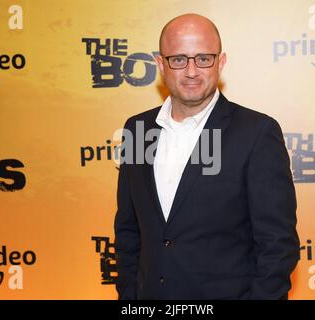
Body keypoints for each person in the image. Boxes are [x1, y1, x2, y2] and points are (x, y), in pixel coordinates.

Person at [114, 13, 299, 300]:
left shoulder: (256, 132)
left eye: (203, 58)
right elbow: (127, 230)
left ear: (221, 62)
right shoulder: (138, 130)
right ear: (160, 64)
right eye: (178, 59)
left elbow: (277, 246)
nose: (191, 71)